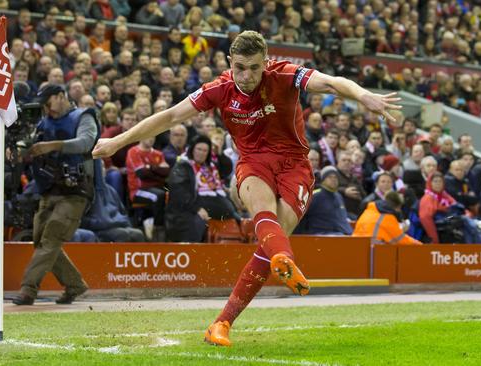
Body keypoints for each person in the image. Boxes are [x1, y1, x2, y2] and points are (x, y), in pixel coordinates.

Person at [92, 30, 400, 346]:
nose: (247, 75)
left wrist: (363, 95)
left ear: (265, 62)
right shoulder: (220, 88)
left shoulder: (286, 75)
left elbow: (333, 82)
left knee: (272, 237)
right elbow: (170, 116)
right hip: (253, 162)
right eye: (240, 67)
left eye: (254, 67)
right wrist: (117, 141)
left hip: (295, 164)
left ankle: (222, 321)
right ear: (230, 62)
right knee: (265, 217)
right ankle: (281, 260)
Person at [14, 84, 100, 305]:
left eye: (48, 102)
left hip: (76, 190)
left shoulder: (84, 116)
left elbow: (86, 143)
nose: (46, 109)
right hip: (49, 189)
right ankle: (75, 285)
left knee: (50, 239)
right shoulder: (43, 123)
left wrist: (52, 146)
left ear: (61, 96)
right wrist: (19, 149)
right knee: (40, 240)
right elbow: (30, 146)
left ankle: (28, 290)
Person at [294, 166, 352, 235]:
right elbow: (300, 215)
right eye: (330, 177)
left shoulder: (338, 196)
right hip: (323, 235)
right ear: (323, 179)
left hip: (344, 233)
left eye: (335, 177)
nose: (333, 179)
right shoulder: (315, 196)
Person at [353, 191, 421, 245]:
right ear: (397, 207)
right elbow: (400, 239)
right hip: (375, 252)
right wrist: (419, 244)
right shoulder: (387, 217)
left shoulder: (370, 210)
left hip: (359, 247)